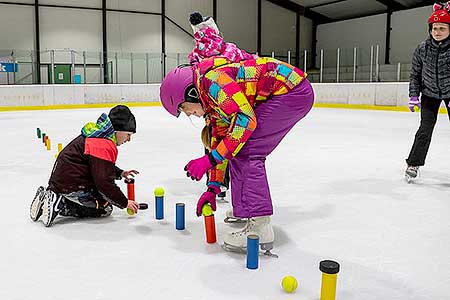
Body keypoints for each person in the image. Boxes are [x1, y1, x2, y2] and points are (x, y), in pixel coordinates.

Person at [159, 56, 314, 252]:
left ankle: (259, 227)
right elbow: (221, 143)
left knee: (247, 150)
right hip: (286, 92)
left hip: (291, 92)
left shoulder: (213, 82)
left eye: (184, 108)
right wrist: (213, 187)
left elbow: (245, 120)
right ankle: (246, 210)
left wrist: (210, 159)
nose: (189, 114)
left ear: (191, 93)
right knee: (235, 148)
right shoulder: (211, 101)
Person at [30, 105, 139, 227]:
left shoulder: (98, 135)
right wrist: (125, 203)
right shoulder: (104, 144)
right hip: (72, 184)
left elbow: (98, 165)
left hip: (63, 181)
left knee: (103, 202)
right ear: (118, 129)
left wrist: (120, 173)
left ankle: (48, 198)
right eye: (128, 134)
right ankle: (60, 204)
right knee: (104, 208)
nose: (128, 139)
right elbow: (104, 183)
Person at [406, 1, 450, 181]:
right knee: (424, 130)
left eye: (442, 28)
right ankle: (413, 163)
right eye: (434, 28)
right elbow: (415, 74)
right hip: (429, 94)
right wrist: (413, 95)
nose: (437, 32)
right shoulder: (422, 49)